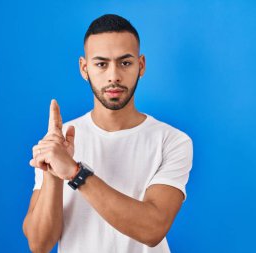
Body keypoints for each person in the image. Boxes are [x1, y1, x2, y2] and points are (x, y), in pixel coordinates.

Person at [23, 14, 193, 253]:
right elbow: (39, 244)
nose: (113, 76)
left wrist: (74, 172)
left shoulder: (172, 141)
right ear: (84, 68)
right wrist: (53, 171)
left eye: (125, 63)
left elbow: (152, 229)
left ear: (141, 65)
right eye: (101, 64)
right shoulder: (59, 143)